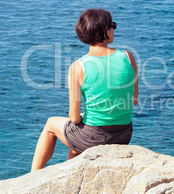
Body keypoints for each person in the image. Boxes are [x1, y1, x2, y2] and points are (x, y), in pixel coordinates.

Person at [31, 9, 138, 171]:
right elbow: (133, 100)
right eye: (113, 26)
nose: (113, 30)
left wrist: (86, 116)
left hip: (94, 137)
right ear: (105, 31)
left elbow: (74, 118)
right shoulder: (128, 56)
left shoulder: (78, 67)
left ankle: (33, 175)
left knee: (51, 125)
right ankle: (69, 173)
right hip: (124, 134)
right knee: (74, 144)